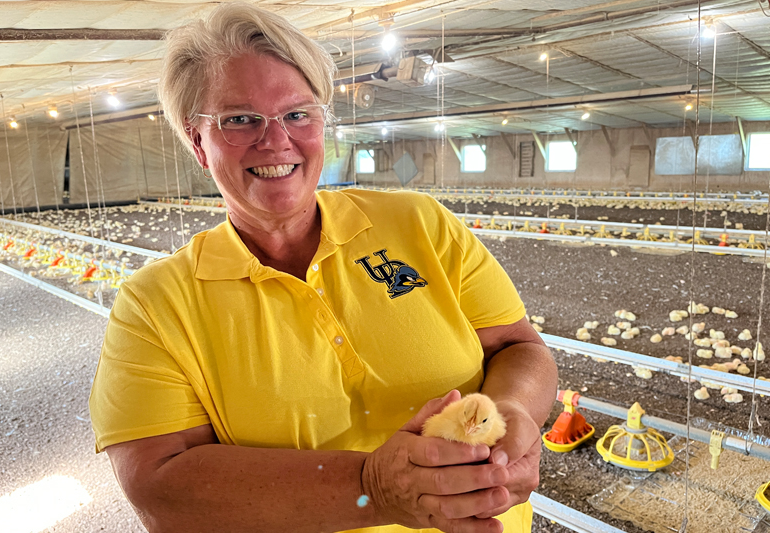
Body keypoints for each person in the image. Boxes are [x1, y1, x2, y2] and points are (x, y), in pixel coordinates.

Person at [88, 3, 558, 532]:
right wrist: (373, 489)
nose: (276, 139)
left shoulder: (420, 224)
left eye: (297, 113)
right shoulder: (156, 306)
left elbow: (519, 348)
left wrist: (514, 410)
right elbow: (160, 490)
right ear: (198, 142)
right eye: (240, 119)